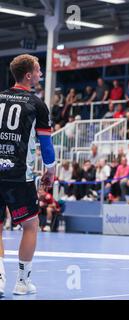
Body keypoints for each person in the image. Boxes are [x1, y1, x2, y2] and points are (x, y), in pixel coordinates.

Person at [0, 54, 56, 296]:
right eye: (39, 70)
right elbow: (46, 145)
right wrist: (50, 170)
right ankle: (22, 282)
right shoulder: (36, 104)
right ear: (28, 75)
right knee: (31, 225)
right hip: (18, 175)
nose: (41, 74)